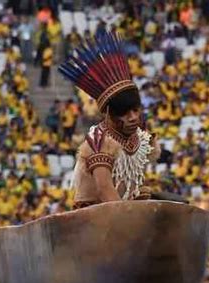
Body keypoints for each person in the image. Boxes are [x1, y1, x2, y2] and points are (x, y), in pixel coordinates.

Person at [59, 30, 159, 209]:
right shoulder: (99, 141)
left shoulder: (140, 136)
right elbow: (105, 190)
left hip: (122, 212)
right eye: (125, 113)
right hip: (95, 219)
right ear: (109, 115)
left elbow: (131, 185)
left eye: (136, 110)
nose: (133, 118)